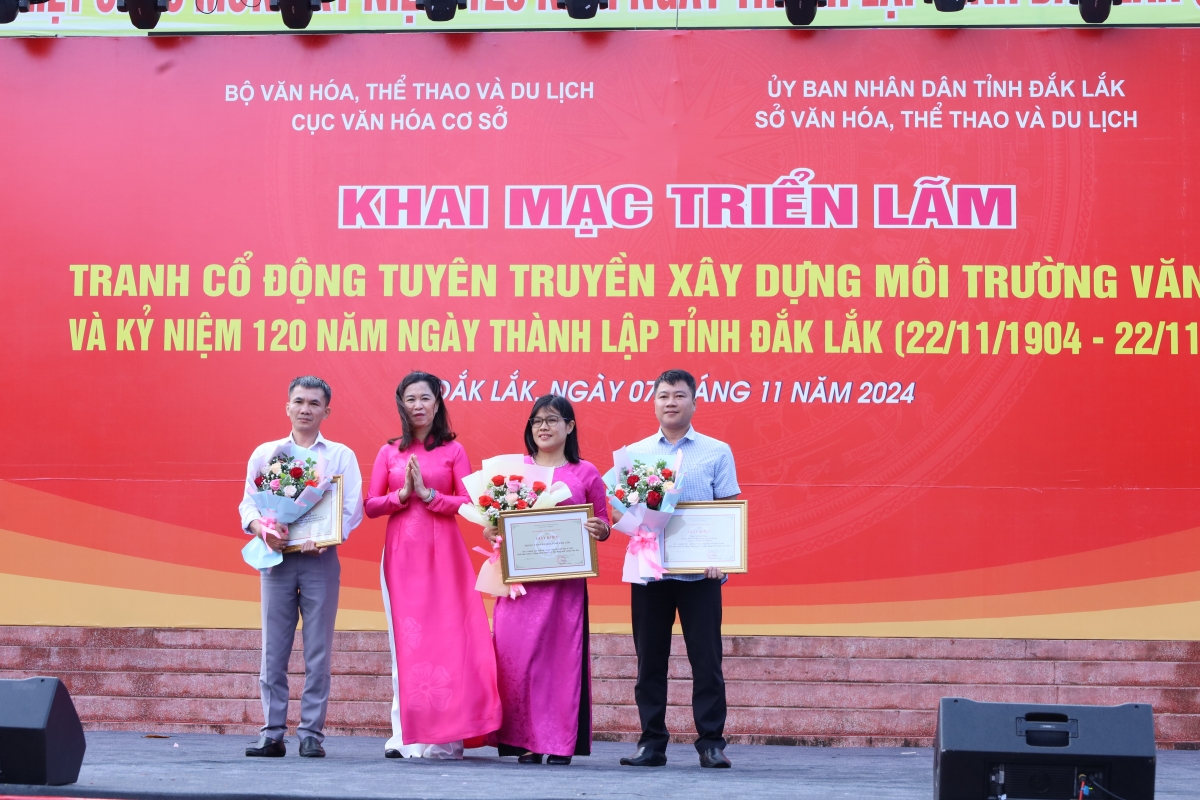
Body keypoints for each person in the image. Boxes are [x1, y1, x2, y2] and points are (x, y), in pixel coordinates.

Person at [364, 371, 502, 760]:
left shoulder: (453, 451)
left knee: (447, 641)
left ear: (437, 403)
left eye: (425, 398)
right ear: (401, 405)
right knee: (404, 644)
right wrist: (402, 495)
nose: (418, 405)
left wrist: (429, 495)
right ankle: (403, 735)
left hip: (445, 556)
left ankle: (446, 737)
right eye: (410, 399)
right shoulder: (389, 452)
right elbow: (371, 505)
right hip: (401, 557)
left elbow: (471, 502)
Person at [617, 369, 739, 770]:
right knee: (649, 662)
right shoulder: (634, 454)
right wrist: (628, 525)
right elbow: (622, 510)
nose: (671, 402)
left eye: (679, 395)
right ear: (654, 402)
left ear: (694, 403)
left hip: (699, 576)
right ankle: (651, 743)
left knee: (707, 662)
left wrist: (722, 560)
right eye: (664, 395)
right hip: (650, 573)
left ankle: (711, 743)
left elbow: (728, 512)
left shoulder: (717, 451)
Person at [239, 375, 364, 759]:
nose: (305, 409)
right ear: (287, 407)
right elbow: (249, 503)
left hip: (319, 560)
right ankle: (272, 733)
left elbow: (351, 507)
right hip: (276, 561)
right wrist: (261, 529)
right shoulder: (267, 453)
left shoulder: (341, 456)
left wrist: (327, 537)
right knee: (272, 651)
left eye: (314, 403)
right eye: (299, 401)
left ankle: (311, 733)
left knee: (318, 651)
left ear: (327, 411)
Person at [485, 395, 611, 765]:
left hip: (563, 586)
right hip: (519, 585)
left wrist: (600, 529)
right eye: (537, 420)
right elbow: (492, 522)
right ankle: (525, 740)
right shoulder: (513, 471)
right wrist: (492, 532)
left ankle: (557, 743)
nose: (543, 427)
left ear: (569, 426)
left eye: (552, 420)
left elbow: (603, 523)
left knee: (560, 662)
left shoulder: (585, 472)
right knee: (517, 659)